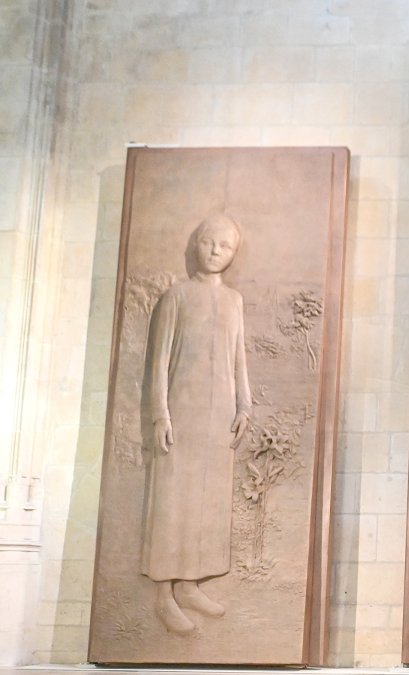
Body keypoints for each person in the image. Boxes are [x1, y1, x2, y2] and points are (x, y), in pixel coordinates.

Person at [141, 213, 251, 634]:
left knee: (206, 500)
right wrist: (160, 414)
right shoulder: (177, 296)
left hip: (218, 416)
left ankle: (189, 585)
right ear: (196, 244)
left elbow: (239, 357)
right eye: (209, 242)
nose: (215, 251)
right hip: (181, 414)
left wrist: (244, 406)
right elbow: (158, 363)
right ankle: (163, 594)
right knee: (174, 499)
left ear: (233, 253)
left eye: (225, 246)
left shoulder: (234, 300)